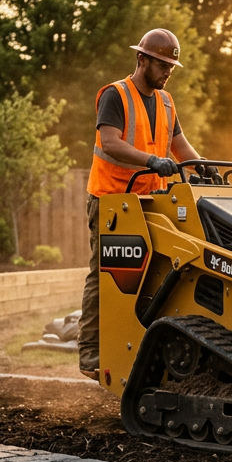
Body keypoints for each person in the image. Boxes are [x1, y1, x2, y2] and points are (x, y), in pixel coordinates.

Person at [78, 28, 202, 380]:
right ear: (141, 59)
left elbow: (181, 147)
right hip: (112, 201)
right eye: (162, 65)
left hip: (150, 201)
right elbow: (111, 142)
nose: (167, 72)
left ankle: (139, 346)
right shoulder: (115, 95)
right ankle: (90, 351)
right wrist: (150, 160)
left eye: (171, 67)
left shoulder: (166, 101)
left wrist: (204, 167)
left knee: (156, 274)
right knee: (106, 272)